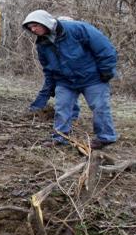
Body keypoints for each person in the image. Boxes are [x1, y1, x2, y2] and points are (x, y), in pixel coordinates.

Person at [22, 9, 119, 149]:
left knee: (99, 107)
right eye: (30, 27)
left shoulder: (77, 28)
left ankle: (105, 138)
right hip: (65, 81)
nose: (33, 29)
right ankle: (60, 138)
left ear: (45, 22)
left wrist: (106, 72)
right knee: (61, 108)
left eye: (35, 25)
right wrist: (44, 96)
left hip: (92, 77)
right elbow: (48, 70)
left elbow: (105, 48)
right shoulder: (42, 44)